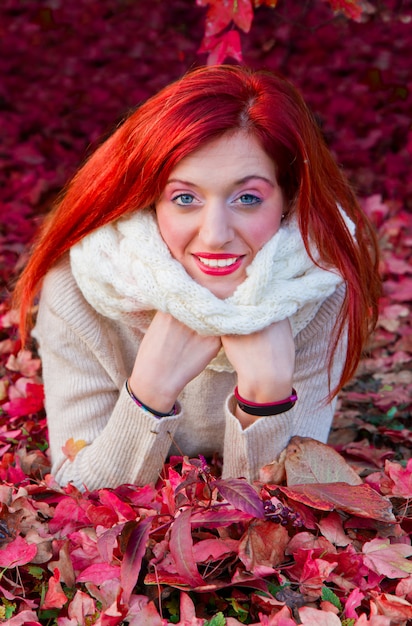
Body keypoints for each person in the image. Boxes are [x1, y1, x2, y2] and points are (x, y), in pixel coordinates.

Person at [14, 65, 380, 492]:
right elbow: (78, 490)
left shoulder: (315, 282)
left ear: (288, 200)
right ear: (150, 203)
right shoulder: (83, 284)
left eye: (247, 198)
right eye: (184, 198)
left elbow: (292, 505)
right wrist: (150, 390)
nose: (215, 234)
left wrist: (265, 400)